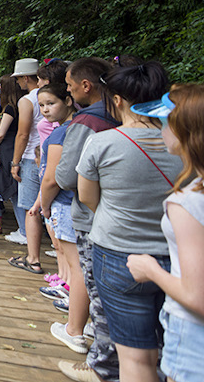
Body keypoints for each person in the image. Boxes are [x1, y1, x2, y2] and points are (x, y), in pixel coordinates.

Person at [77, 61, 181, 382]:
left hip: (117, 254)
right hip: (178, 259)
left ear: (117, 100)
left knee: (135, 357)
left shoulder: (103, 143)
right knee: (170, 348)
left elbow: (87, 197)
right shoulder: (185, 144)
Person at [127, 84, 204, 382]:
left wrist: (150, 270)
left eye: (163, 122)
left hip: (192, 333)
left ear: (183, 130)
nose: (159, 129)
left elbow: (196, 295)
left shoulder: (187, 203)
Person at [53, 56, 120, 382]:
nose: (66, 91)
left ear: (85, 85)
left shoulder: (85, 123)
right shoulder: (122, 113)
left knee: (95, 281)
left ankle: (100, 364)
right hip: (121, 213)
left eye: (68, 85)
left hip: (88, 213)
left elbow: (66, 175)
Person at [32, 82, 88, 355]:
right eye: (41, 105)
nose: (44, 110)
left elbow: (51, 178)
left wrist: (43, 205)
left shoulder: (61, 135)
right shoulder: (76, 128)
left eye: (50, 103)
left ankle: (74, 328)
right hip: (70, 205)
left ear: (68, 100)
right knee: (73, 263)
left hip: (63, 205)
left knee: (76, 266)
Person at [8, 58, 43, 253]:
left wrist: (15, 162)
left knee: (32, 209)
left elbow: (23, 134)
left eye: (19, 79)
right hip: (51, 154)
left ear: (27, 78)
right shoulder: (56, 95)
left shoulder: (28, 100)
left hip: (31, 156)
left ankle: (32, 255)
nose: (18, 83)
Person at [0, 74, 24, 235]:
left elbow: (1, 134)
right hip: (18, 147)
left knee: (12, 188)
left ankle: (23, 229)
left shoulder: (10, 108)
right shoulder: (23, 105)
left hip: (8, 148)